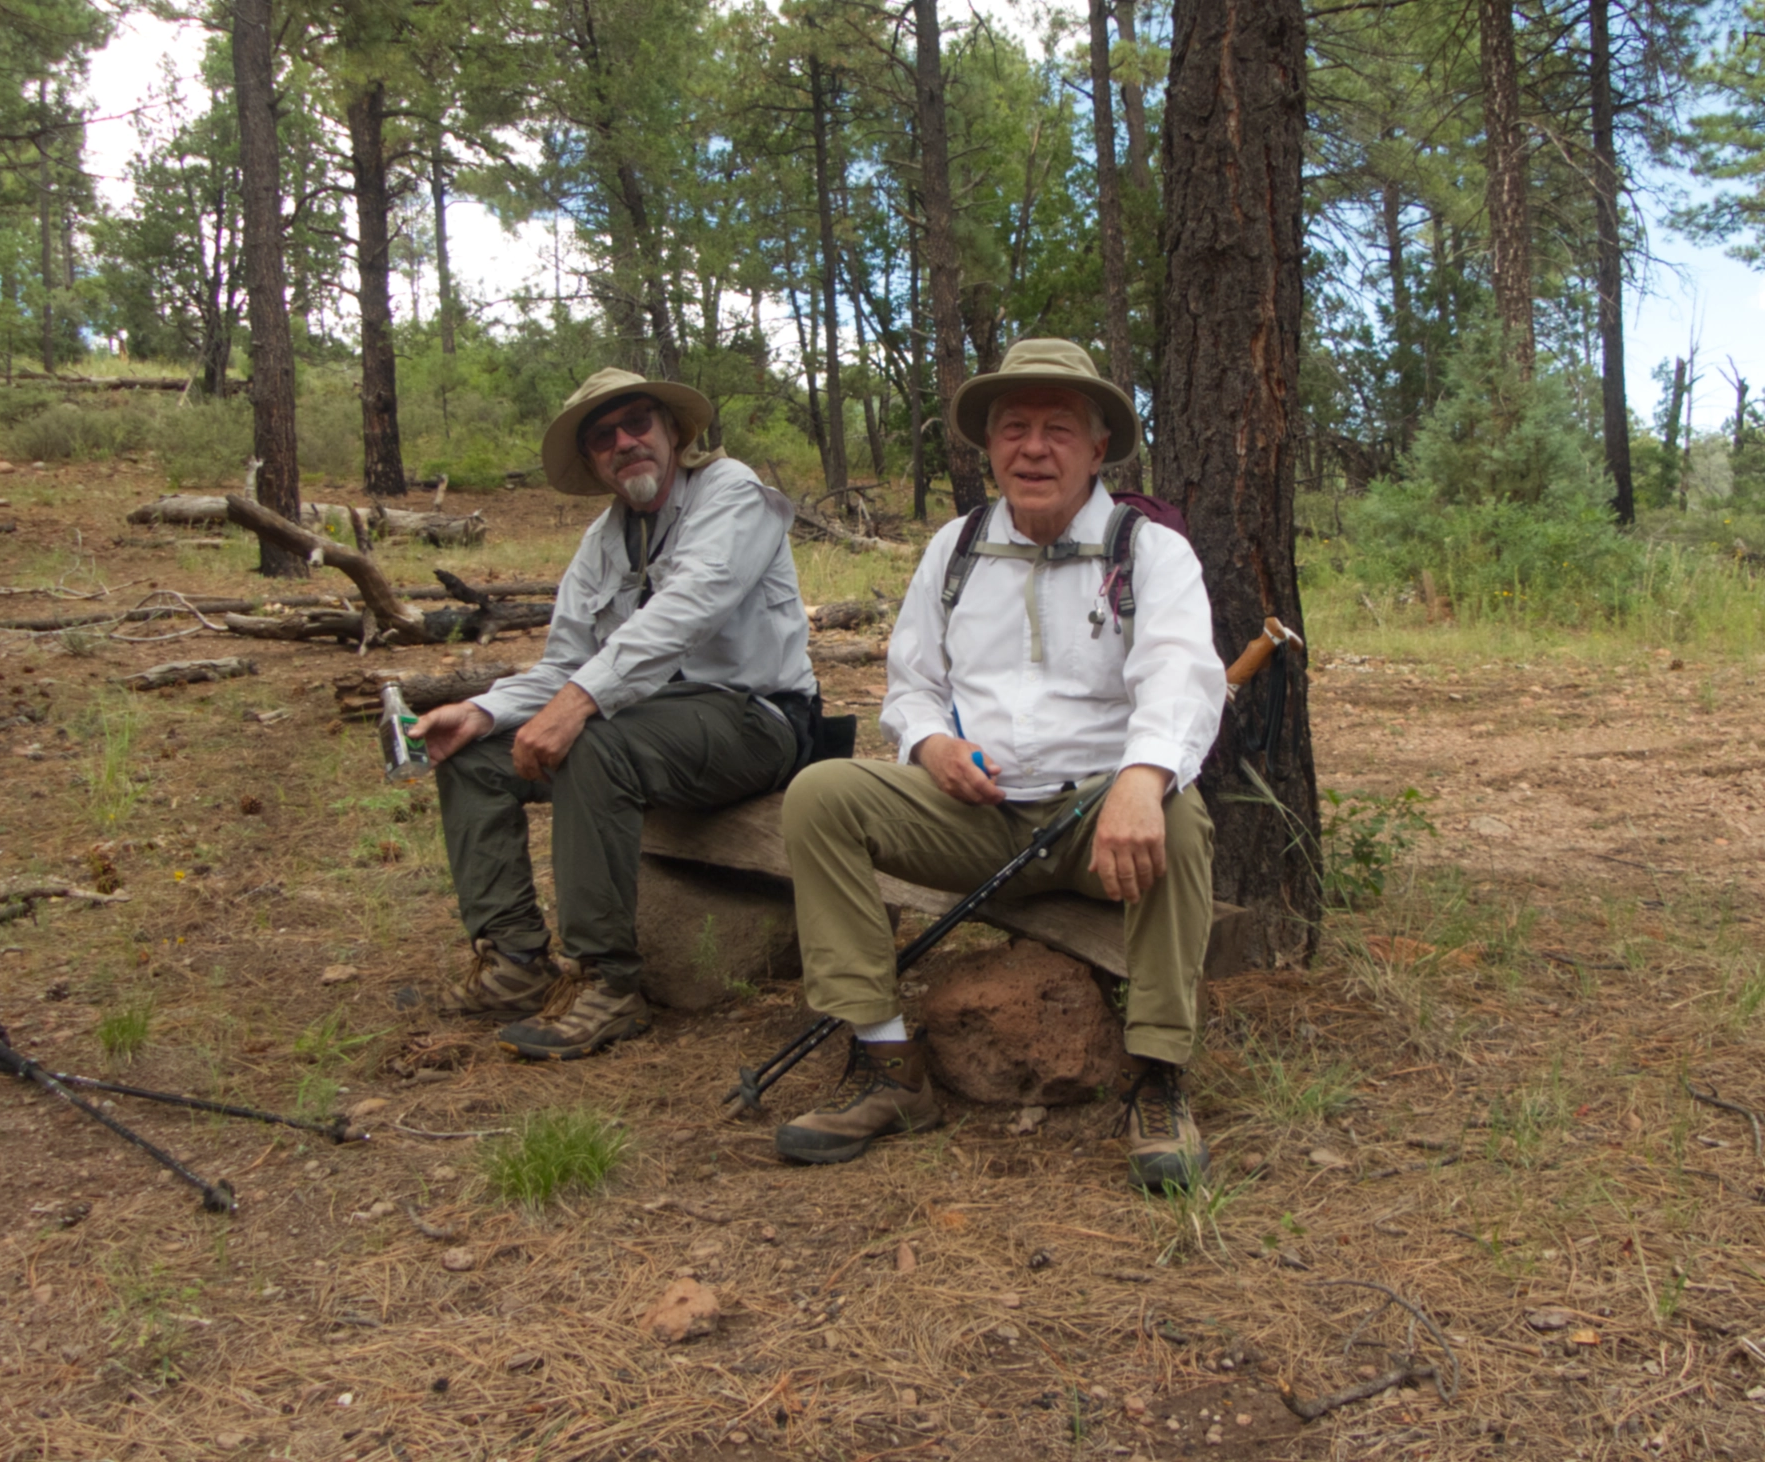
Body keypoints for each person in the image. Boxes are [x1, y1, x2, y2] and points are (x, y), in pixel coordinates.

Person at [774, 339, 1226, 1190]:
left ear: (1099, 450)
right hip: (975, 823)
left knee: (1179, 814)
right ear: (989, 449)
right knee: (821, 794)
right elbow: (910, 686)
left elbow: (1182, 674)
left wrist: (1141, 778)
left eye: (1059, 428)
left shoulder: (1148, 550)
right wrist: (930, 745)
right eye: (1013, 427)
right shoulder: (955, 549)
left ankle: (1158, 1076)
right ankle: (885, 1065)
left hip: (1099, 822)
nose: (1033, 447)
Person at [413, 368, 818, 1061]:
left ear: (672, 433)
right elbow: (562, 663)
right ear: (594, 461)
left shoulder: (732, 493)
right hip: (645, 724)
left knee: (593, 744)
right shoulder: (602, 542)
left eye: (638, 425)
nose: (625, 443)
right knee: (475, 757)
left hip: (753, 719)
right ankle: (513, 961)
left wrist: (576, 707)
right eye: (604, 437)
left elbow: (688, 609)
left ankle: (608, 982)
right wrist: (484, 711)